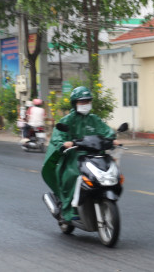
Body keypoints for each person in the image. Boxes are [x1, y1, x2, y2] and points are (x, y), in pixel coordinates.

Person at [41, 86, 118, 222]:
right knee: (75, 175)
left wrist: (112, 138)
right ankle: (69, 209)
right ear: (74, 103)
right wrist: (64, 143)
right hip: (74, 157)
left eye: (87, 101)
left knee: (109, 170)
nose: (85, 104)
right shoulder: (68, 120)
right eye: (81, 102)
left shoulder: (94, 119)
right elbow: (58, 136)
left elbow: (106, 131)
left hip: (94, 155)